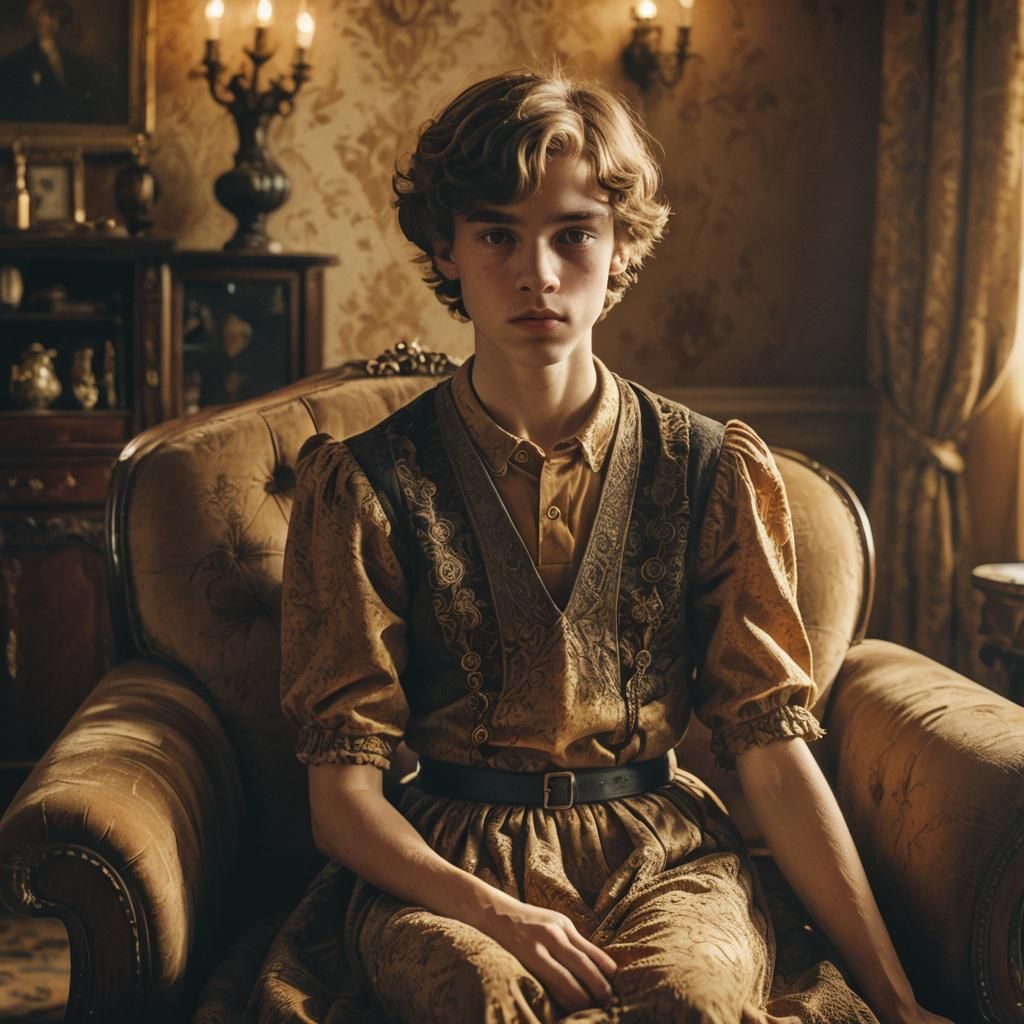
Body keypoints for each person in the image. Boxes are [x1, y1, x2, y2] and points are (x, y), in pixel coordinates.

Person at [247, 69, 953, 1023]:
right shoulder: (368, 482)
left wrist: (900, 1002)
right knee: (479, 996)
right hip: (447, 861)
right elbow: (341, 800)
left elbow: (775, 757)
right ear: (447, 251)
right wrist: (500, 915)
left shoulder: (709, 469)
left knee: (690, 1005)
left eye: (574, 232)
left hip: (661, 857)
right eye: (498, 234)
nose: (537, 273)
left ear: (621, 247)